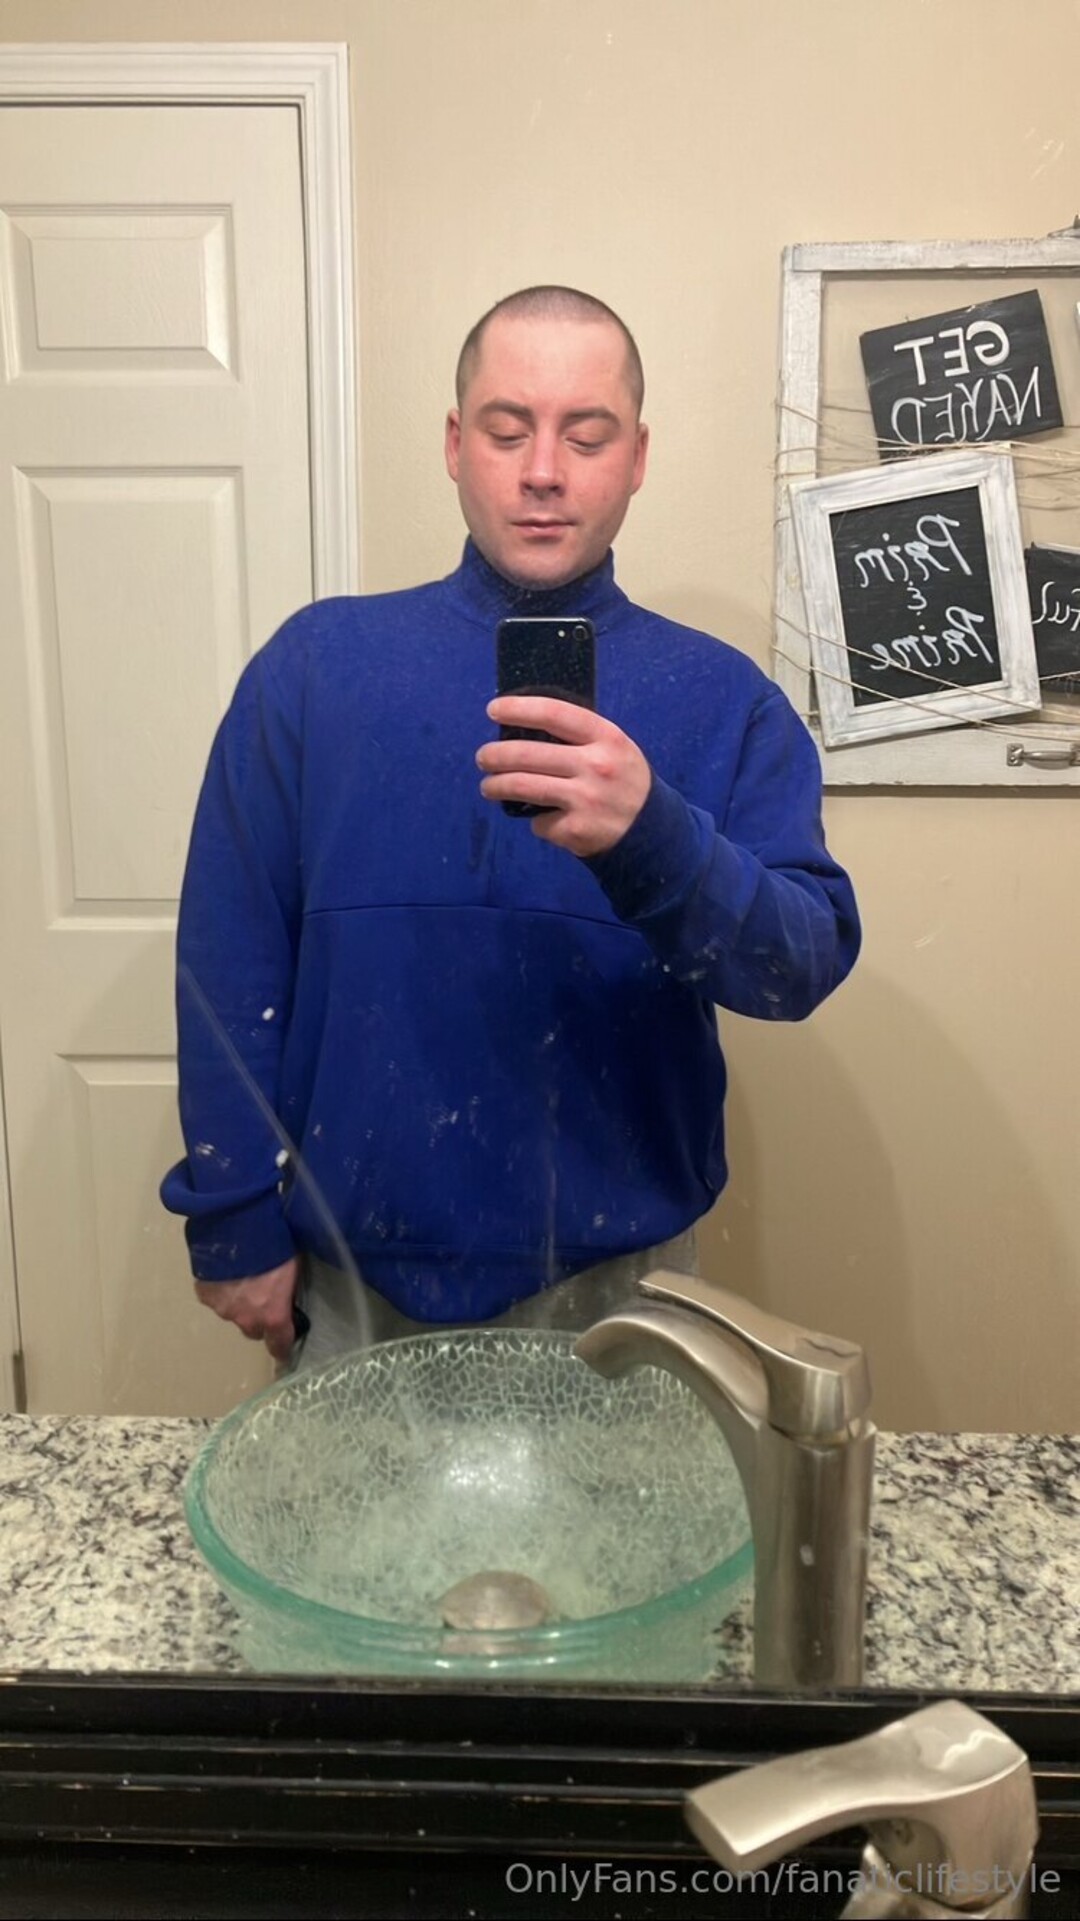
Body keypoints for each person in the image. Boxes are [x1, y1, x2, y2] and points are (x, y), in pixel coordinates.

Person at [161, 285, 861, 1369]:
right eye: (506, 429)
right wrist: (233, 1217)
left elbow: (799, 966)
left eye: (587, 435)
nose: (543, 470)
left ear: (636, 456)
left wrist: (654, 835)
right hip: (345, 1276)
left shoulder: (726, 700)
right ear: (455, 444)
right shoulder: (315, 670)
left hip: (627, 1286)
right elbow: (229, 955)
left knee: (632, 1497)